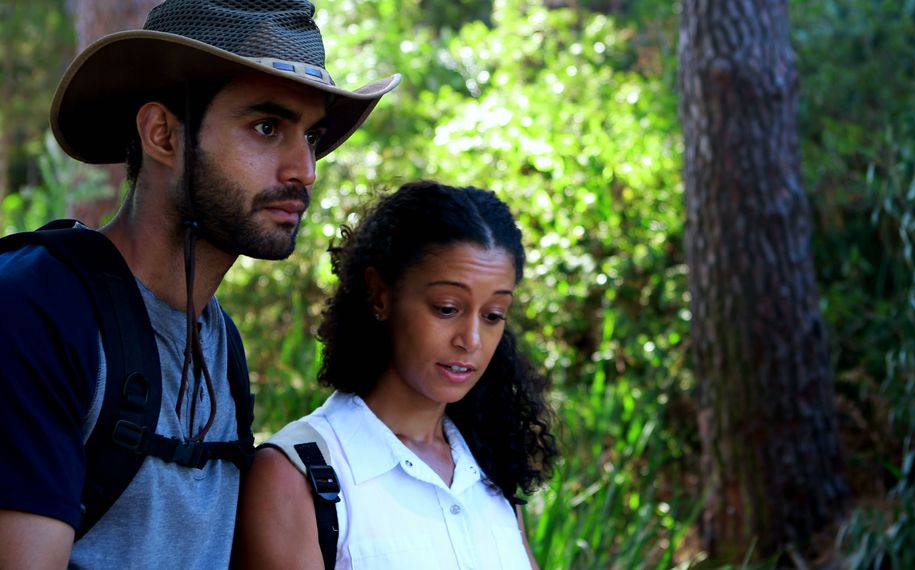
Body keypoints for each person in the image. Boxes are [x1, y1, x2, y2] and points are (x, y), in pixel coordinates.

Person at [0, 0, 399, 568]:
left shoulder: (220, 343)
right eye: (267, 127)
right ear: (162, 134)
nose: (304, 170)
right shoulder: (38, 308)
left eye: (310, 137)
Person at [234, 181, 559, 569]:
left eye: (493, 316)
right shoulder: (297, 475)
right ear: (380, 295)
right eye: (446, 308)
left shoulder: (489, 472)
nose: (471, 340)